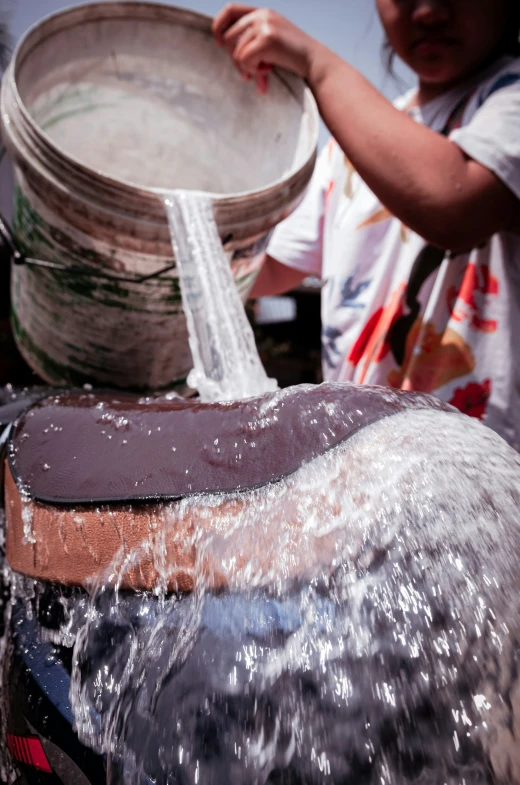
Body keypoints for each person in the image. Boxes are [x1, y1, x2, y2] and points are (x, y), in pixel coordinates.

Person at [213, 1, 520, 449]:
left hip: (479, 478)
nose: (430, 11)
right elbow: (271, 268)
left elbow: (454, 203)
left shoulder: (510, 103)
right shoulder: (354, 145)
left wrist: (318, 66)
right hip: (360, 464)